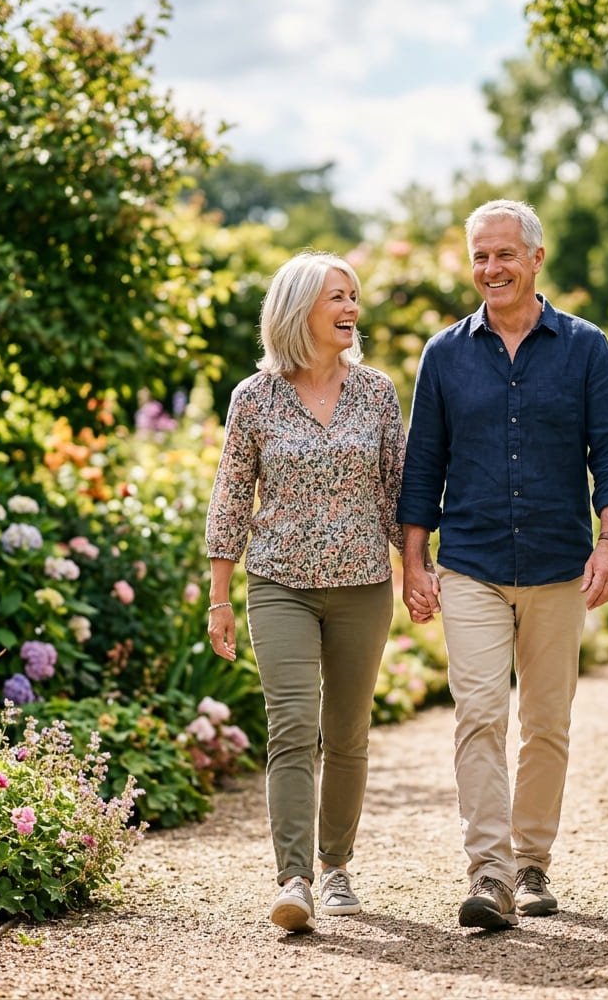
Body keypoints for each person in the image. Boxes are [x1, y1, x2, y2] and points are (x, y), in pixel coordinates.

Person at [398, 199, 608, 931]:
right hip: (469, 563)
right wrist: (415, 559)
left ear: (536, 258)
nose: (490, 269)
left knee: (546, 722)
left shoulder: (586, 346)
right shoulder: (443, 354)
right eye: (479, 256)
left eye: (504, 254)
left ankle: (533, 862)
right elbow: (421, 468)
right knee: (478, 714)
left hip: (558, 562)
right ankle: (491, 871)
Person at [205, 250, 406, 934]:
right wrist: (220, 595)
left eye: (353, 296)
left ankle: (337, 867)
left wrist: (419, 570)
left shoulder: (378, 392)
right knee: (292, 726)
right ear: (298, 311)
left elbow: (397, 491)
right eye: (336, 298)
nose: (352, 309)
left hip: (361, 584)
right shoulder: (252, 398)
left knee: (346, 732)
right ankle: (294, 878)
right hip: (279, 583)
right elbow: (231, 496)